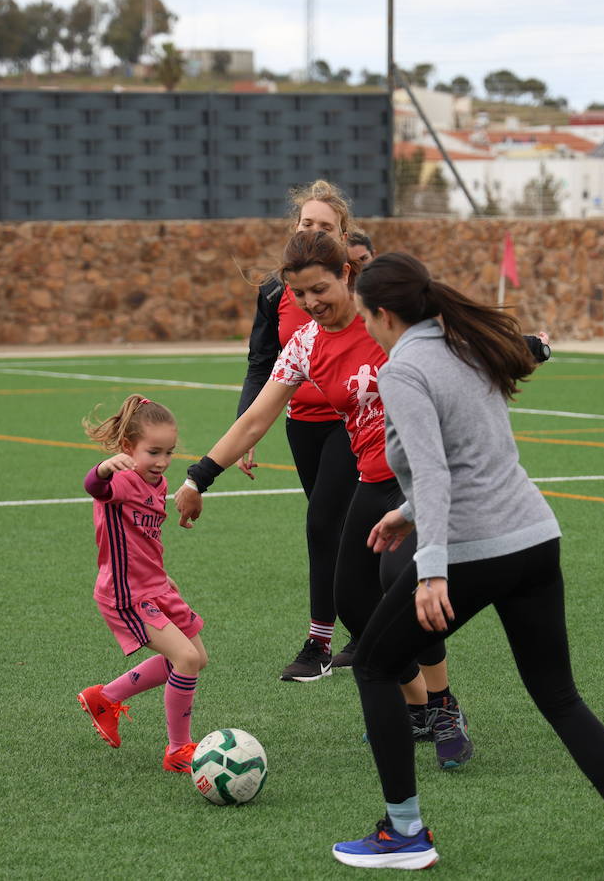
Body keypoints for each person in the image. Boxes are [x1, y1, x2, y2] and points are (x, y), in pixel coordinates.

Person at [329, 252, 604, 879]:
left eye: (364, 316)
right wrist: (408, 513)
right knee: (560, 696)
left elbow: (437, 468)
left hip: (472, 549)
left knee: (376, 666)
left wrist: (431, 567)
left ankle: (404, 832)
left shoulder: (402, 367)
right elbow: (474, 456)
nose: (366, 326)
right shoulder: (464, 344)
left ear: (381, 313)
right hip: (535, 538)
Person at [183, 230, 475, 770]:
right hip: (372, 480)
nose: (311, 303)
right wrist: (200, 477)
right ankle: (416, 708)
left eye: (319, 289)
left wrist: (524, 347)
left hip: (418, 481)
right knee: (353, 603)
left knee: (403, 586)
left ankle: (444, 706)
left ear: (345, 274)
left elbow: (460, 342)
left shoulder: (387, 319)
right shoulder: (305, 344)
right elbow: (256, 419)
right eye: (299, 295)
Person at [236, 180, 364, 682]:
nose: (313, 231)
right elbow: (261, 363)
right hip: (301, 424)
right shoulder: (276, 289)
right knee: (338, 529)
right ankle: (366, 628)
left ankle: (318, 644)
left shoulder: (361, 286)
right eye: (306, 224)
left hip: (351, 424)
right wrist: (246, 430)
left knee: (322, 525)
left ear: (342, 236)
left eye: (325, 226)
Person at [76, 395, 209, 774]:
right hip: (126, 594)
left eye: (168, 452)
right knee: (183, 659)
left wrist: (163, 574)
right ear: (127, 449)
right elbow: (93, 486)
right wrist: (103, 469)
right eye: (153, 452)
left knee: (196, 659)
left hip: (156, 586)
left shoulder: (159, 481)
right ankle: (178, 749)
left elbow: (143, 536)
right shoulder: (119, 480)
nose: (163, 461)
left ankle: (105, 697)